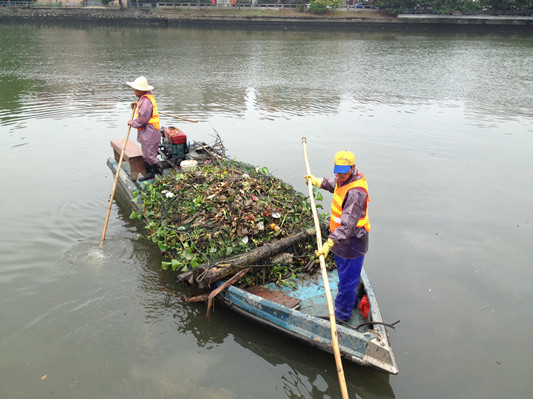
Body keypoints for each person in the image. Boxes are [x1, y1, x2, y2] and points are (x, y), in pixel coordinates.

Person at [305, 150, 370, 322]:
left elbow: (348, 225)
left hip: (352, 243)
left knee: (347, 284)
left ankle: (342, 316)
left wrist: (329, 243)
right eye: (337, 171)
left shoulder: (356, 193)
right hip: (341, 242)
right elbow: (335, 184)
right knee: (345, 278)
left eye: (343, 171)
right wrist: (318, 181)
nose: (339, 175)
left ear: (353, 168)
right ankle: (353, 303)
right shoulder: (344, 180)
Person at [127, 76, 163, 182]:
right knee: (147, 154)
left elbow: (142, 120)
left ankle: (158, 173)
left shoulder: (146, 102)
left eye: (135, 89)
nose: (133, 90)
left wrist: (132, 122)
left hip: (150, 132)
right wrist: (137, 104)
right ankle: (150, 173)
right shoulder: (144, 98)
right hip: (149, 132)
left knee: (149, 155)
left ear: (140, 90)